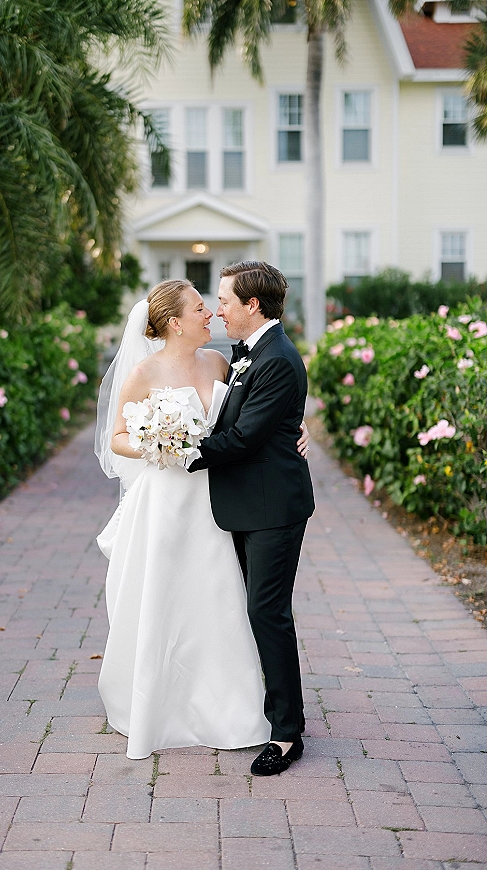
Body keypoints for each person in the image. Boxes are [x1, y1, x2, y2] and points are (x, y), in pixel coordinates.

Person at [94, 277, 310, 761]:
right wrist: (159, 444)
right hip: (168, 497)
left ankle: (229, 706)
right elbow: (118, 438)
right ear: (174, 321)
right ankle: (161, 702)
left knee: (220, 600)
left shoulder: (220, 362)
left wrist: (297, 426)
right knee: (166, 596)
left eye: (219, 302)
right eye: (200, 307)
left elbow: (262, 403)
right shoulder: (144, 373)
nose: (211, 312)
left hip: (216, 497)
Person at [188, 261, 315, 777]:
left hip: (272, 510)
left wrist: (178, 451)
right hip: (246, 503)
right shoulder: (247, 354)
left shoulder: (278, 359)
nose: (218, 309)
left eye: (224, 300)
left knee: (268, 612)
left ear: (252, 305)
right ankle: (260, 708)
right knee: (251, 610)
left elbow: (242, 439)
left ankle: (287, 734)